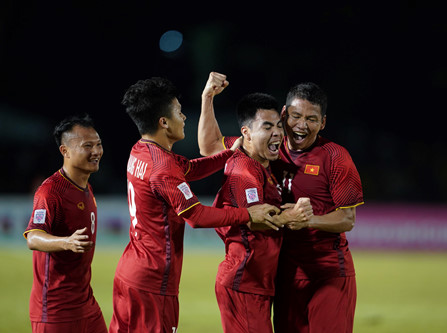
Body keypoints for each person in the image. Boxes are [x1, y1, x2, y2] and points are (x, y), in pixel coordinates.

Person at [109, 76, 282, 333]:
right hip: (153, 278)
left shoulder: (140, 150)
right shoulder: (162, 167)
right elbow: (196, 216)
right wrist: (246, 214)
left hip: (130, 270)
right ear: (164, 122)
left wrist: (229, 153)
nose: (184, 117)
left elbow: (189, 168)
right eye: (179, 112)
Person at [198, 72, 364, 333]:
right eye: (296, 116)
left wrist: (307, 220)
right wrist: (207, 98)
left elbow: (347, 219)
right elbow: (209, 147)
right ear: (284, 114)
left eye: (311, 119)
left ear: (322, 123)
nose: (301, 125)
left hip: (327, 273)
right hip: (283, 276)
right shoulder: (268, 147)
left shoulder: (336, 157)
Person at [208, 90, 313, 333]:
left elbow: (208, 144)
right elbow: (255, 218)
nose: (277, 133)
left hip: (257, 282)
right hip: (244, 281)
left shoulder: (262, 163)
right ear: (246, 133)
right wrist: (293, 216)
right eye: (267, 127)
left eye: (278, 125)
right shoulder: (245, 171)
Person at [23, 114, 107, 333]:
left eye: (98, 144)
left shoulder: (86, 187)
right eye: (87, 146)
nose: (96, 151)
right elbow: (33, 236)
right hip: (55, 310)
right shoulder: (50, 191)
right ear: (65, 151)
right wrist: (66, 242)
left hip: (86, 304)